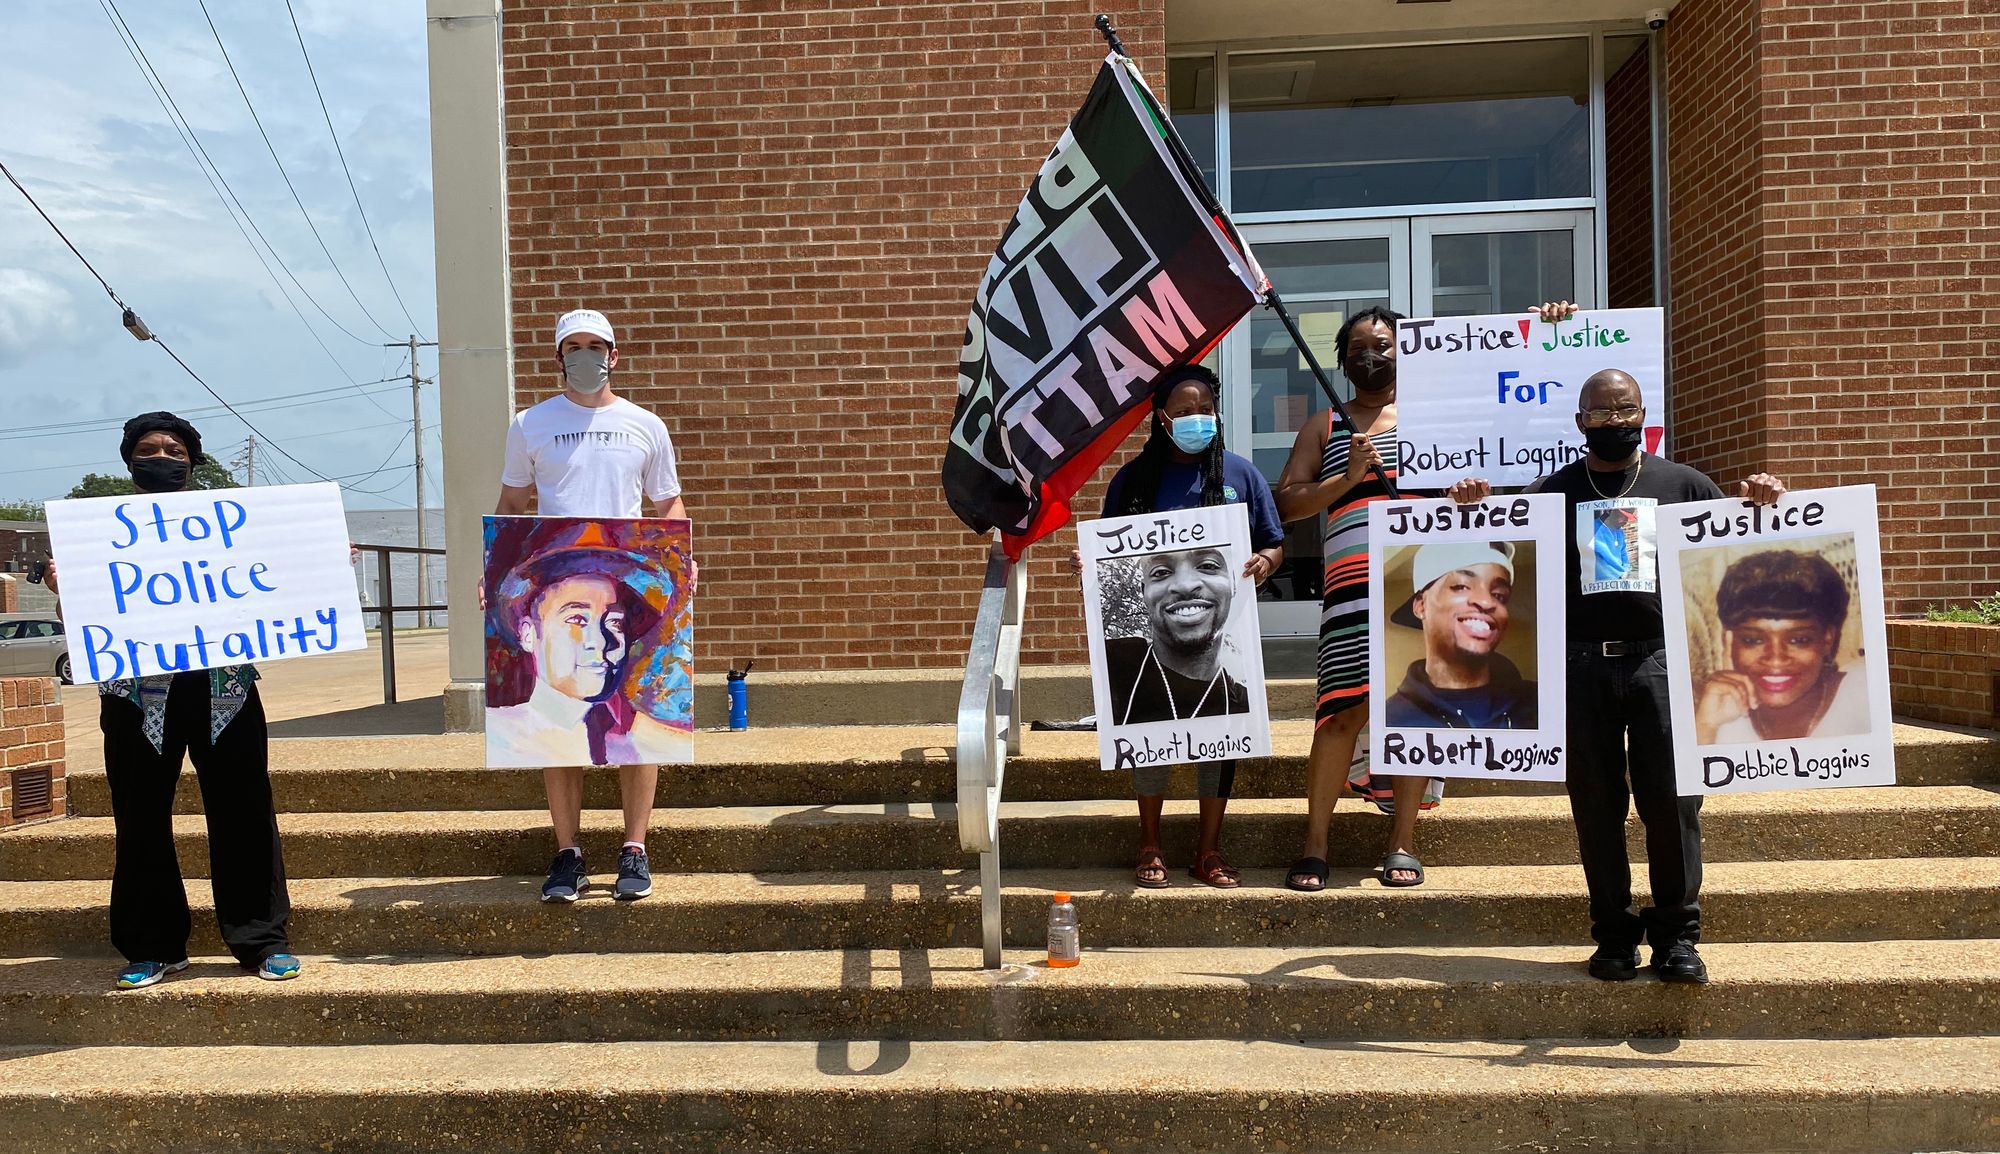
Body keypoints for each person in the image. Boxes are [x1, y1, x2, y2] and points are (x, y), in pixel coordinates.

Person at [1448, 300, 1787, 985]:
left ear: (1643, 414)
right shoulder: (1551, 491)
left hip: (1665, 666)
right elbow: (1497, 558)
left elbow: (1743, 557)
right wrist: (1470, 509)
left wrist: (1763, 504)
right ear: (1580, 423)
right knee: (1596, 805)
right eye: (1600, 413)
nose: (1613, 421)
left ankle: (1676, 939)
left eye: (1624, 409)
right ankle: (1612, 936)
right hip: (1582, 671)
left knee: (1672, 802)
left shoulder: (1686, 485)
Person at [44, 413, 299, 989]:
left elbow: (274, 586)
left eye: (174, 448)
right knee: (140, 819)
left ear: (193, 459)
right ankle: (153, 944)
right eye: (150, 448)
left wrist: (316, 571)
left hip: (222, 691)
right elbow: (77, 621)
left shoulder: (228, 523)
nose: (162, 455)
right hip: (137, 696)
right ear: (130, 459)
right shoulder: (99, 529)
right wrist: (70, 590)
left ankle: (261, 939)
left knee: (243, 811)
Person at [496, 308, 692, 904]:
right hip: (557, 586)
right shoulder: (530, 424)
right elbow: (511, 500)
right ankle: (568, 852)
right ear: (558, 357)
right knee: (559, 724)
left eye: (596, 345)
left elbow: (669, 504)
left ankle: (635, 847)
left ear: (615, 354)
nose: (586, 355)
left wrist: (684, 562)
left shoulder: (645, 425)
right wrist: (495, 568)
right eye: (573, 346)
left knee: (636, 722)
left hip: (620, 591)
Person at [1078, 365, 1284, 889]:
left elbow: (1272, 541)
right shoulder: (1133, 480)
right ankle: (1150, 841)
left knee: (1225, 736)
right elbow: (1112, 551)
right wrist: (1095, 565)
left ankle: (1208, 851)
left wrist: (1264, 561)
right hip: (1159, 644)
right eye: (1185, 410)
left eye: (1205, 409)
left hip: (1226, 639)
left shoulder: (1241, 475)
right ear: (1162, 417)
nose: (1197, 419)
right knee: (1149, 730)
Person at [1275, 305, 1442, 893]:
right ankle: (1315, 844)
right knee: (1341, 710)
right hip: (1349, 587)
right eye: (1359, 347)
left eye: (1385, 344)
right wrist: (1347, 477)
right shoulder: (1326, 425)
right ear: (1342, 360)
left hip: (1422, 583)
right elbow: (1288, 504)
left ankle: (1401, 841)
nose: (1372, 355)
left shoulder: (1433, 417)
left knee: (1414, 710)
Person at [486, 523, 687, 767]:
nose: (601, 641)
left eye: (614, 622)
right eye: (577, 619)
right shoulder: (500, 736)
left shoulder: (654, 741)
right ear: (528, 634)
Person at [1695, 549, 1867, 743]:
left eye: (1798, 640)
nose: (1776, 658)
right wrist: (1705, 726)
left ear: (1827, 639)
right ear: (1728, 640)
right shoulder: (1719, 716)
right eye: (1753, 640)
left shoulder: (1863, 692)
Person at [1384, 541, 1538, 730]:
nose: (1486, 601)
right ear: (1421, 605)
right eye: (1461, 586)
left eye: (1499, 595)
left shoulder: (1542, 704)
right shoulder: (1392, 721)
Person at [1103, 546, 1251, 725]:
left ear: (1234, 583)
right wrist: (1086, 572)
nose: (1185, 586)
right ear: (1144, 593)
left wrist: (1265, 562)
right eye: (1161, 572)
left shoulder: (1244, 703)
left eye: (1208, 566)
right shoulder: (1113, 663)